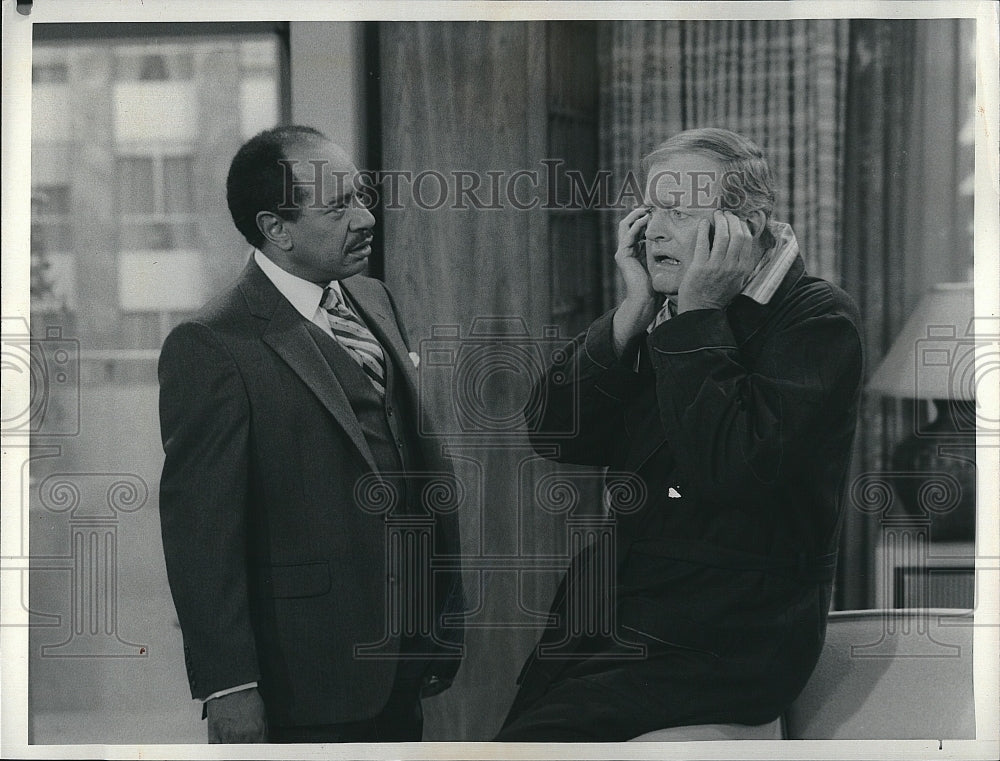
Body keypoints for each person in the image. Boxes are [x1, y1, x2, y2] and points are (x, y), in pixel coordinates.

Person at [496, 128, 864, 741]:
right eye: (651, 209)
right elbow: (555, 433)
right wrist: (632, 312)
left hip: (731, 634)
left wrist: (695, 316)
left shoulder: (817, 320)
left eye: (682, 212)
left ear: (745, 226)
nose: (655, 230)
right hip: (627, 615)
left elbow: (729, 471)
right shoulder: (667, 307)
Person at [157, 125, 464, 743]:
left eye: (362, 195)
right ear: (277, 229)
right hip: (306, 678)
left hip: (403, 655)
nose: (367, 217)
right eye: (339, 206)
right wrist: (229, 686)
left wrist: (438, 623)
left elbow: (411, 461)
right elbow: (201, 537)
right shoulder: (213, 345)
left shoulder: (371, 298)